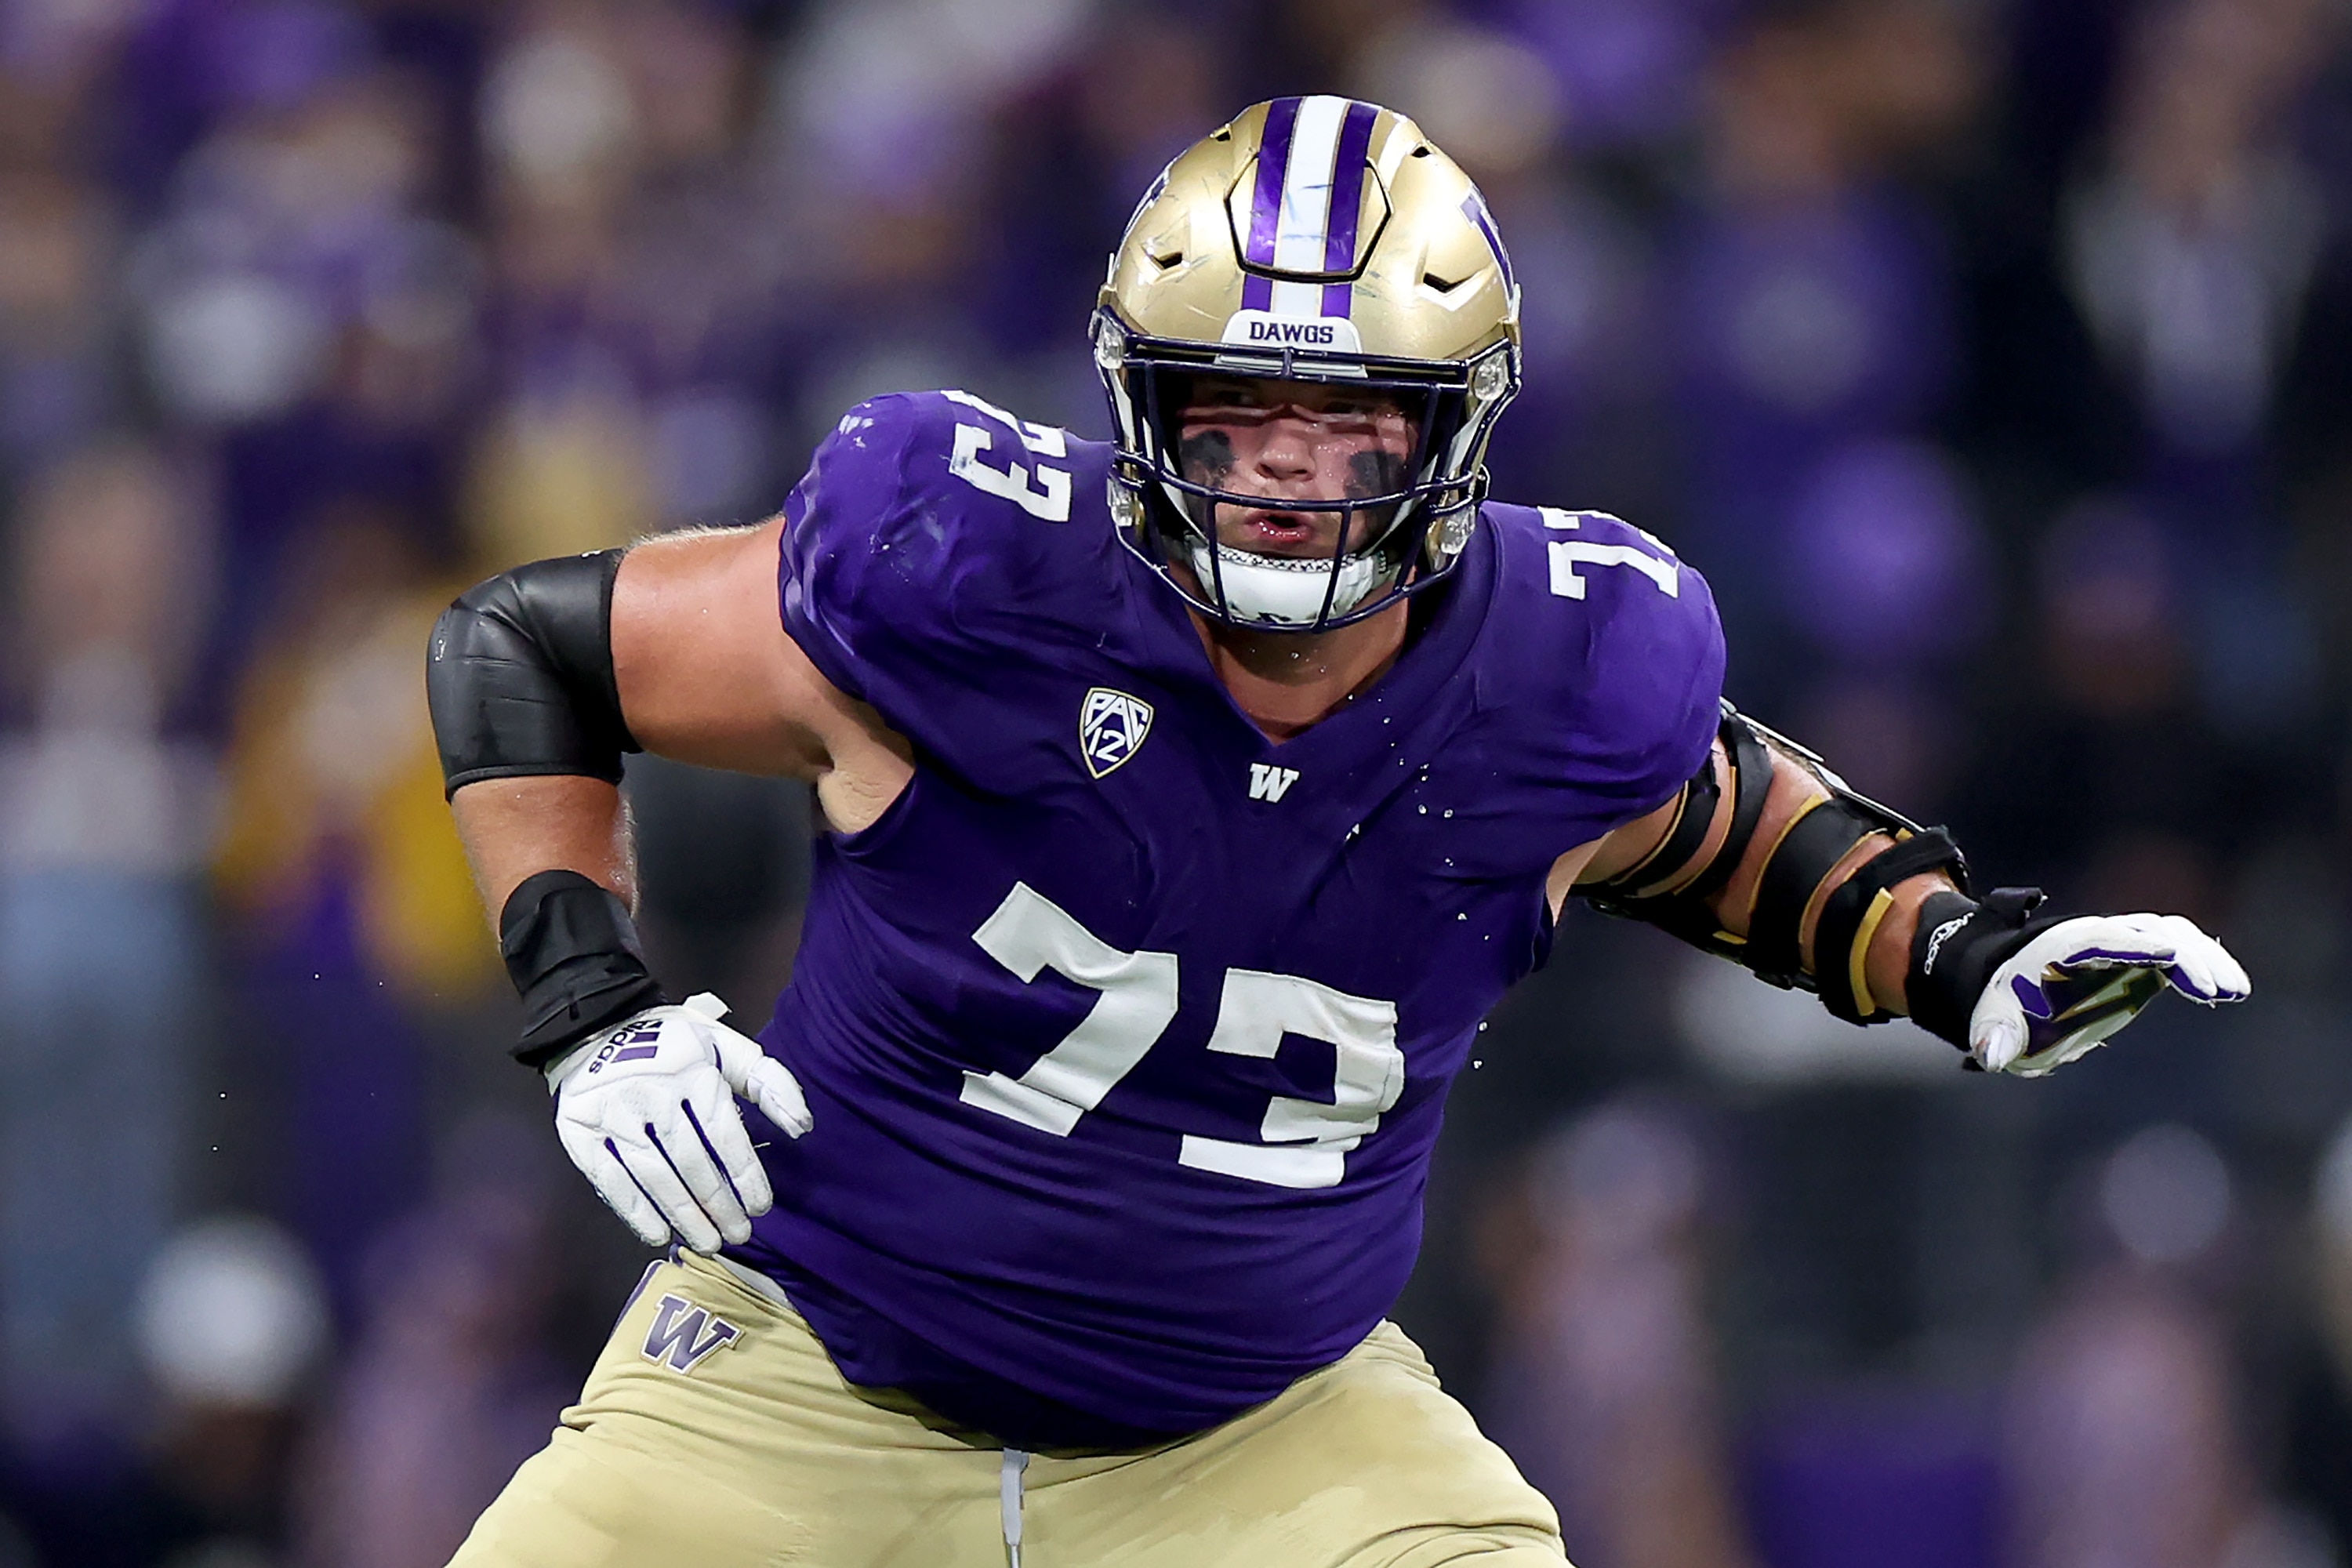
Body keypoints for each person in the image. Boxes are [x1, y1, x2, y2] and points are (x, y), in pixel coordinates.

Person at [426, 98, 2248, 1566]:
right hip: (804, 1384)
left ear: (1454, 436)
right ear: (1140, 405)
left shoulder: (1560, 672)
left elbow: (1696, 812)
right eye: (1235, 413)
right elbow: (525, 645)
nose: (1285, 477)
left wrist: (1943, 942)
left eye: (1349, 428)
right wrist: (591, 999)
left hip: (1269, 1444)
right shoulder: (964, 578)